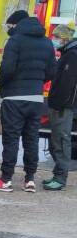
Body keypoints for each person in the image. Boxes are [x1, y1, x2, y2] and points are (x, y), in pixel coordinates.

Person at [0, 12, 57, 192]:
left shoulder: (15, 41)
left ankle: (6, 179)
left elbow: (7, 68)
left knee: (11, 139)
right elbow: (51, 72)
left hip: (14, 98)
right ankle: (30, 179)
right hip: (36, 98)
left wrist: (1, 84)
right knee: (31, 139)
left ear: (16, 24)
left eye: (9, 27)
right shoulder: (47, 42)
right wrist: (37, 82)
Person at [43, 23, 77, 190]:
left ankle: (60, 178)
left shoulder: (72, 55)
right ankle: (57, 175)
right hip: (62, 104)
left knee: (62, 141)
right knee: (57, 140)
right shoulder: (68, 53)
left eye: (56, 37)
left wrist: (59, 104)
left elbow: (68, 84)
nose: (54, 40)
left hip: (63, 106)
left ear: (64, 38)